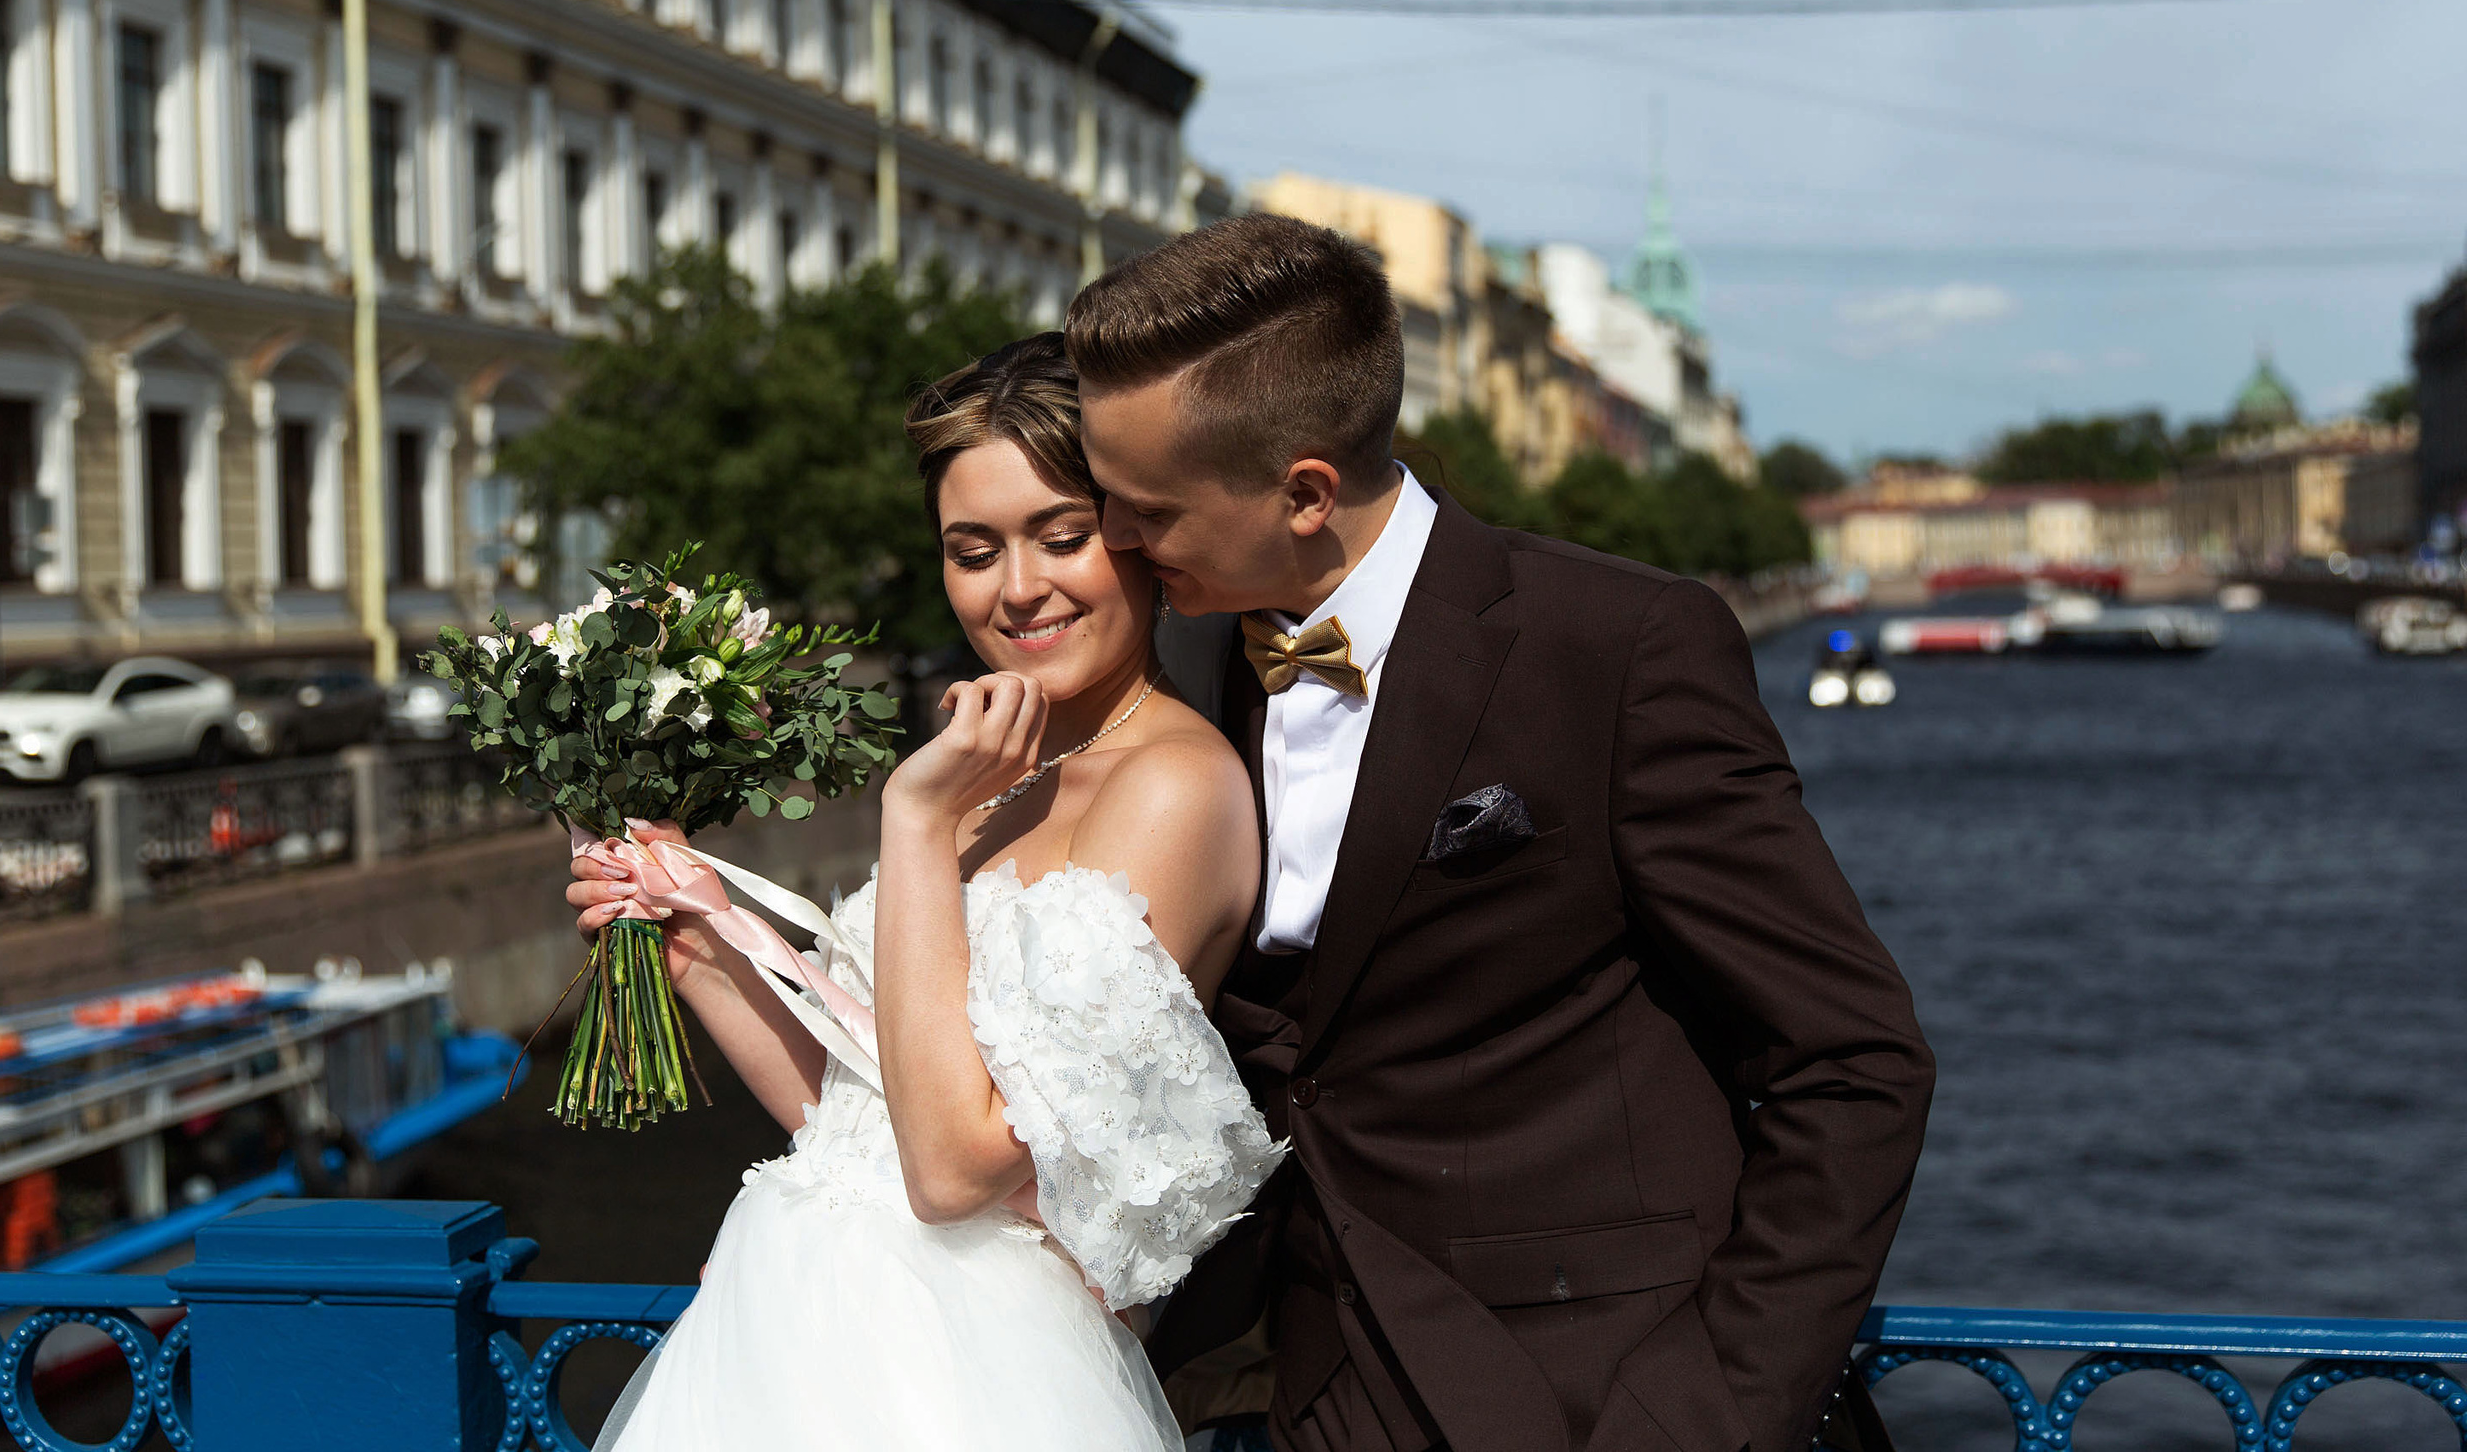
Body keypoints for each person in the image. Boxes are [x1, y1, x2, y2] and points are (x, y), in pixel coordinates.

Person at [1066, 213, 1937, 1452]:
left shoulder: (1618, 646)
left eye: (1145, 509)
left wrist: (1705, 1414)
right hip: (1304, 1389)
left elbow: (1853, 1060)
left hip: (1596, 1397)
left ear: (1305, 494)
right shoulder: (1194, 666)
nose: (1113, 539)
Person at [568, 332, 1283, 1452]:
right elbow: (865, 1114)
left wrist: (914, 816)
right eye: (972, 550)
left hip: (981, 1372)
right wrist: (692, 934)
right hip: (798, 1324)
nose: (1018, 589)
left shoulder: (1172, 786)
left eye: (1062, 537)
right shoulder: (1007, 773)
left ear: (1138, 537)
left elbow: (956, 1171)